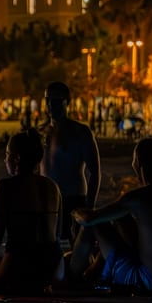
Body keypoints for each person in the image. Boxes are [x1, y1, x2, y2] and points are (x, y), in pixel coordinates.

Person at [0, 129, 64, 294]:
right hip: (54, 268)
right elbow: (57, 232)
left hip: (18, 265)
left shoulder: (6, 186)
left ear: (17, 158)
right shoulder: (53, 186)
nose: (5, 159)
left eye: (7, 154)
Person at [70, 137, 152, 294]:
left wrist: (74, 212)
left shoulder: (139, 197)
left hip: (144, 281)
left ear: (137, 162)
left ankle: (71, 279)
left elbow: (89, 219)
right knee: (121, 219)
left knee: (94, 225)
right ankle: (92, 273)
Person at [40, 81, 100, 243]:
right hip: (47, 200)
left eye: (57, 100)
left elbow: (95, 171)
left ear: (67, 101)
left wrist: (89, 206)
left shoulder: (80, 132)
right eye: (48, 100)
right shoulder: (42, 132)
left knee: (77, 248)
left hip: (74, 199)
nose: (52, 105)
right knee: (49, 248)